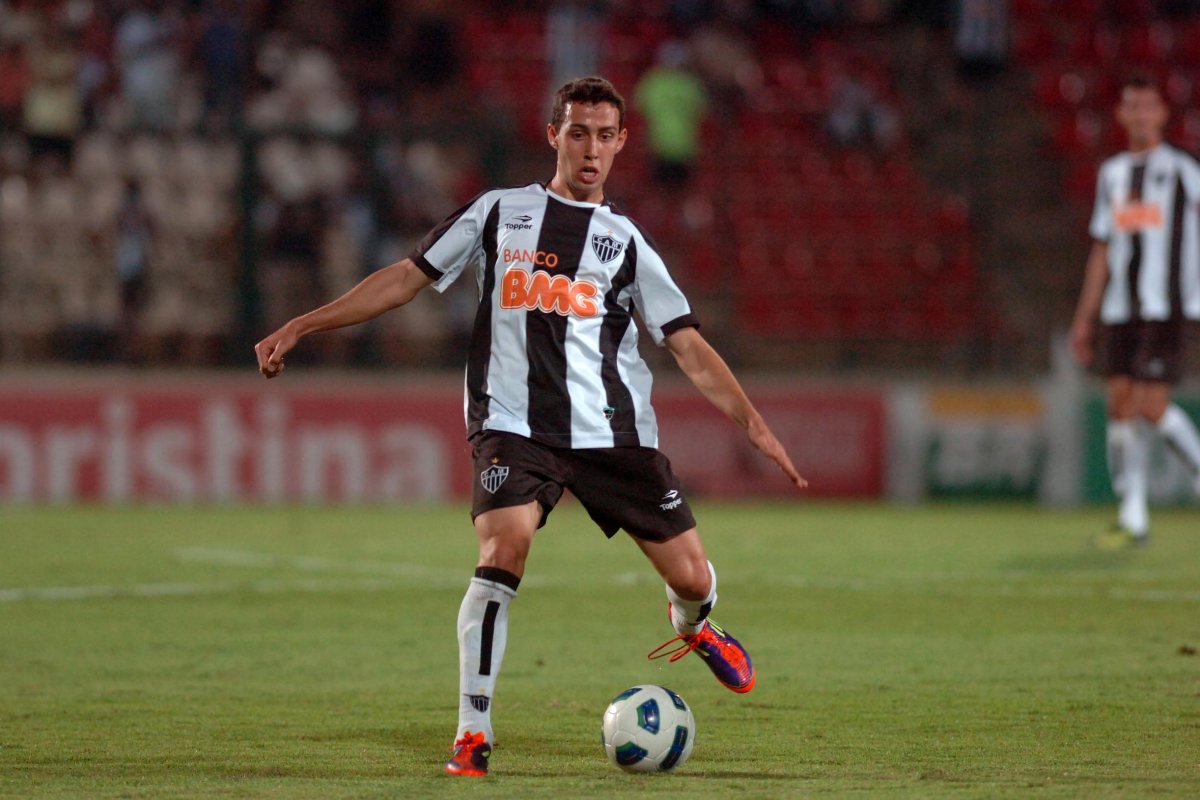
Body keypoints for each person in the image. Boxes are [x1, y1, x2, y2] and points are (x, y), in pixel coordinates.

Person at [254, 76, 806, 777]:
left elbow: (686, 345)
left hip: (611, 435)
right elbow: (405, 278)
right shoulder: (498, 213)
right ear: (553, 136)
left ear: (621, 144)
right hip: (511, 424)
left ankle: (693, 624)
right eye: (578, 132)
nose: (591, 149)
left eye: (605, 136)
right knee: (503, 544)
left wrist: (752, 422)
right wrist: (303, 324)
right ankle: (472, 732)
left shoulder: (627, 243)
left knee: (694, 576)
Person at [1069, 74, 1200, 548]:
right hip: (1120, 308)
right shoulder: (1114, 175)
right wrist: (1085, 317)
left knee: (1151, 405)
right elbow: (1101, 250)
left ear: (1163, 113)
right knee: (1120, 405)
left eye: (1149, 106)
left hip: (1166, 306)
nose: (1141, 114)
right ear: (1122, 116)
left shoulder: (1185, 171)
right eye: (1132, 106)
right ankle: (1133, 516)